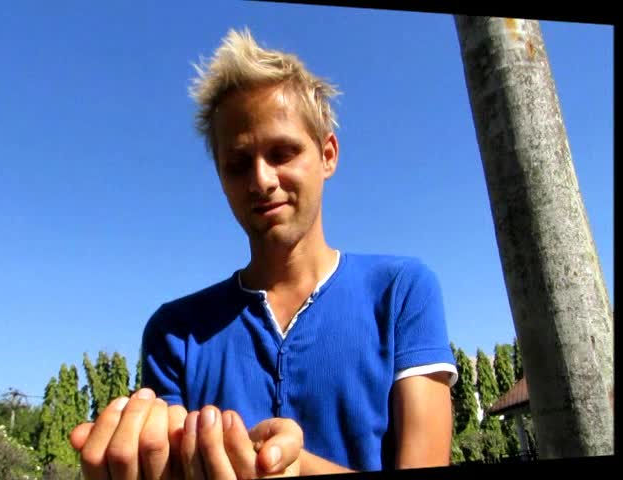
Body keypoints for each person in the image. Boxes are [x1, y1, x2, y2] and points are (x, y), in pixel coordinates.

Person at [71, 27, 458, 478]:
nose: (262, 180)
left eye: (282, 152)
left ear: (328, 154)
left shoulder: (400, 291)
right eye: (237, 164)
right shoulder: (175, 332)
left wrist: (290, 467)